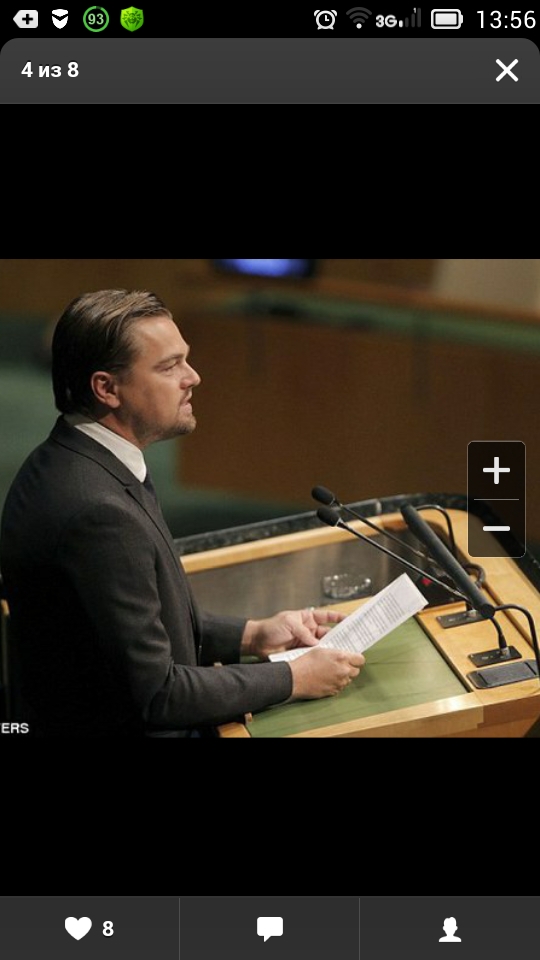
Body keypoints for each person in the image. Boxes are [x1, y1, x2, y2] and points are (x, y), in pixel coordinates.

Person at [0, 289, 365, 738]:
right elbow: (159, 695)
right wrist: (295, 677)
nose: (192, 377)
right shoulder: (96, 511)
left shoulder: (77, 459)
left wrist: (253, 634)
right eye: (169, 366)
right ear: (107, 388)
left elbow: (129, 630)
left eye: (185, 360)